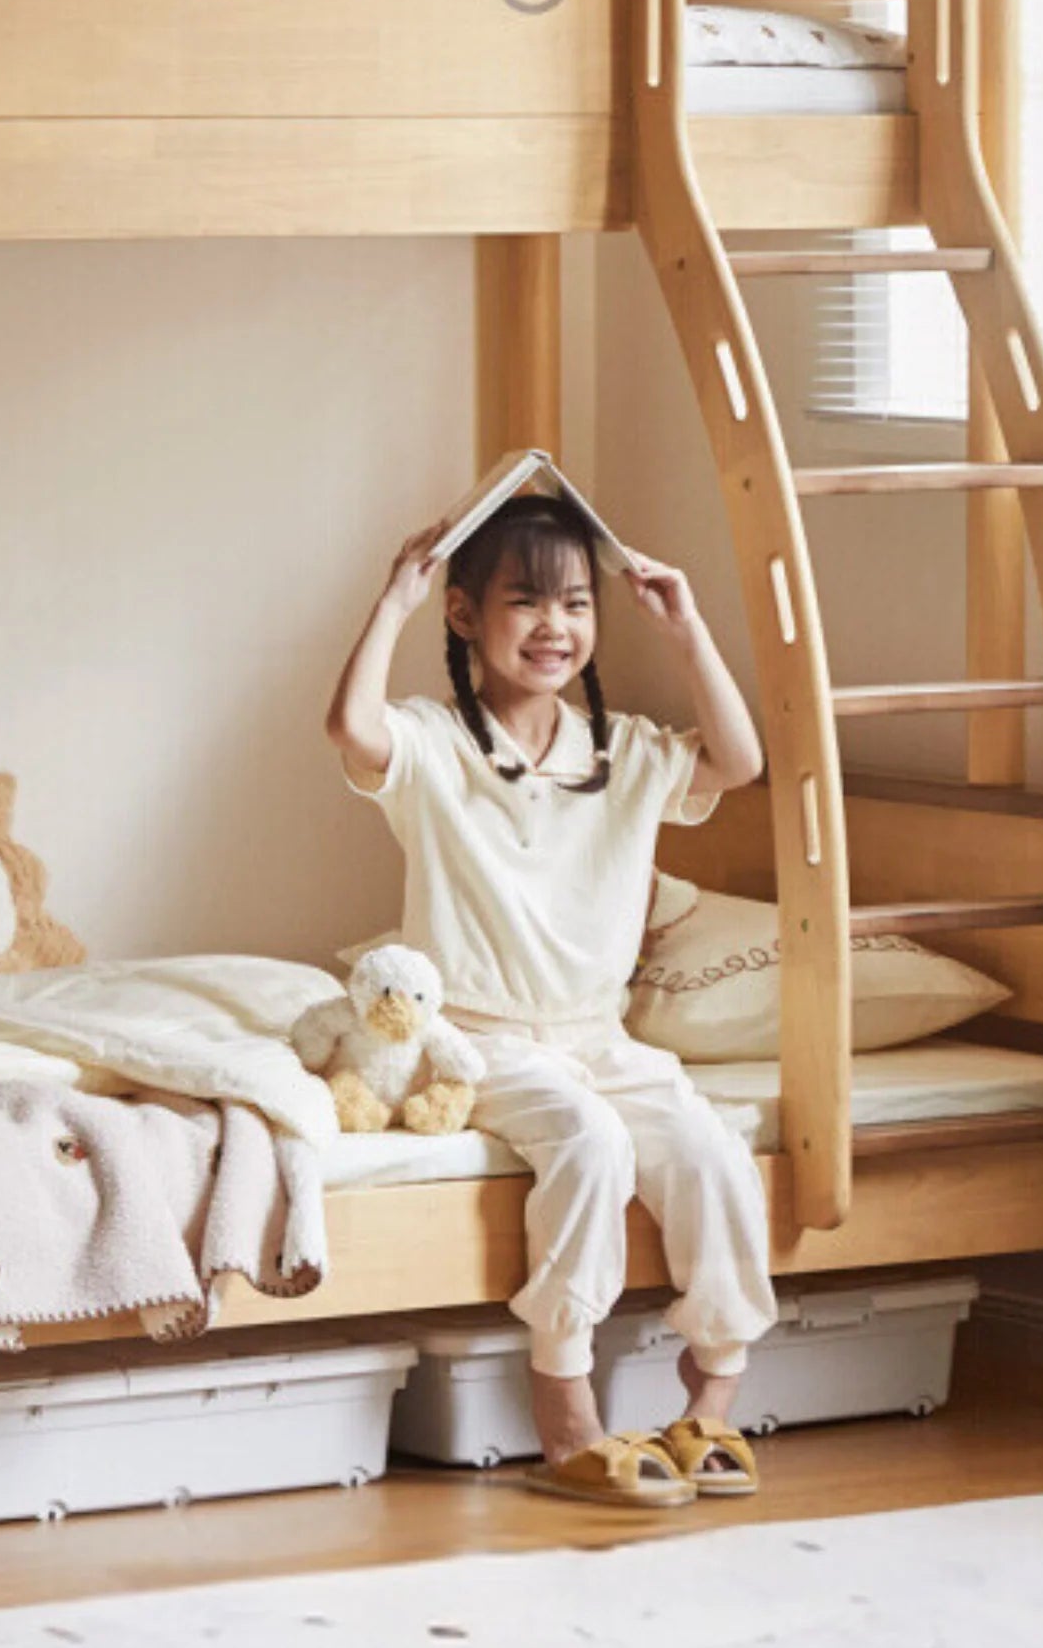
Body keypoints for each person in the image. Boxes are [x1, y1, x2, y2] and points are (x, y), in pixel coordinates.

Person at [324, 494, 775, 1508]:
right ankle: (565, 1412)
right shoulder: (436, 743)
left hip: (598, 1035)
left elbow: (740, 762)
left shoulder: (625, 754)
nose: (554, 626)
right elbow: (350, 727)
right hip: (481, 1038)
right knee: (590, 1144)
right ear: (465, 616)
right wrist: (394, 595)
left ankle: (715, 1399)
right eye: (526, 602)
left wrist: (688, 627)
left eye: (575, 603)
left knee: (708, 1152)